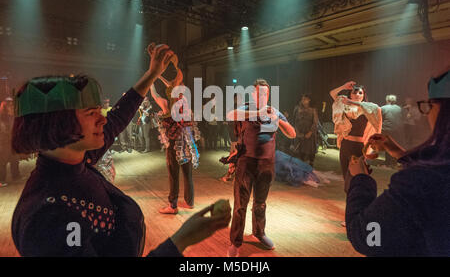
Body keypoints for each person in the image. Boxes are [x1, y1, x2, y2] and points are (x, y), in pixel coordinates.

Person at [11, 43, 230, 256]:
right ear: (58, 124)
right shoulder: (49, 217)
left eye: (99, 110)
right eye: (90, 113)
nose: (103, 119)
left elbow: (119, 116)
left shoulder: (77, 159)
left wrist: (153, 73)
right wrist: (181, 241)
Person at [345, 68, 450, 256]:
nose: (427, 114)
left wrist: (361, 179)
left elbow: (367, 236)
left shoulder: (420, 183)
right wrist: (400, 153)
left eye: (431, 105)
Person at [226, 79, 296, 257]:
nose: (262, 96)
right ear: (253, 94)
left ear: (268, 95)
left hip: (266, 164)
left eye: (265, 93)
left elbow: (292, 134)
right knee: (240, 205)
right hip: (246, 163)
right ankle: (235, 242)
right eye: (259, 93)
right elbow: (229, 115)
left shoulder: (274, 111)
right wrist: (258, 112)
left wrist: (277, 120)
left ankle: (259, 233)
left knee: (260, 203)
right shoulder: (246, 108)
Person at [151, 63, 200, 215]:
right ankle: (189, 201)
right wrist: (158, 76)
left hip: (174, 143)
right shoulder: (185, 104)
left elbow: (155, 95)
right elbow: (174, 85)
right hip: (187, 141)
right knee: (187, 173)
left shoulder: (166, 105)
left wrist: (152, 80)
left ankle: (172, 205)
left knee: (173, 174)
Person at [329, 82, 382, 194]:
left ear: (363, 95)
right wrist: (344, 86)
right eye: (355, 92)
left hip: (358, 148)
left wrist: (351, 102)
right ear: (350, 94)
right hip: (345, 145)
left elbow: (375, 108)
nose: (358, 94)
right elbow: (332, 93)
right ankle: (350, 201)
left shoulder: (368, 108)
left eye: (360, 93)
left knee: (357, 178)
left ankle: (357, 201)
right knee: (346, 177)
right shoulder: (344, 105)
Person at [292, 94, 319, 167]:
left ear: (309, 100)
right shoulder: (297, 108)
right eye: (302, 99)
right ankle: (301, 165)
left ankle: (310, 165)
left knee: (310, 150)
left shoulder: (313, 109)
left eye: (305, 99)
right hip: (300, 132)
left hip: (310, 133)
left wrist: (310, 132)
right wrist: (297, 131)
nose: (303, 101)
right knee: (300, 151)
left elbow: (315, 122)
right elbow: (294, 121)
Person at [0, 97, 21, 186]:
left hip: (12, 142)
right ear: (5, 107)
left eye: (12, 105)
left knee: (15, 159)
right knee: (2, 162)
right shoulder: (2, 119)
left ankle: (16, 176)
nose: (12, 107)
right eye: (10, 106)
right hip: (3, 143)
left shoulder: (13, 117)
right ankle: (1, 180)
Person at [381, 94, 404, 168]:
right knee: (395, 145)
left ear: (387, 100)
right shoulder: (399, 108)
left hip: (387, 129)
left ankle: (387, 163)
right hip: (397, 129)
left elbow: (379, 119)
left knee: (387, 145)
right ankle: (395, 162)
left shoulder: (383, 108)